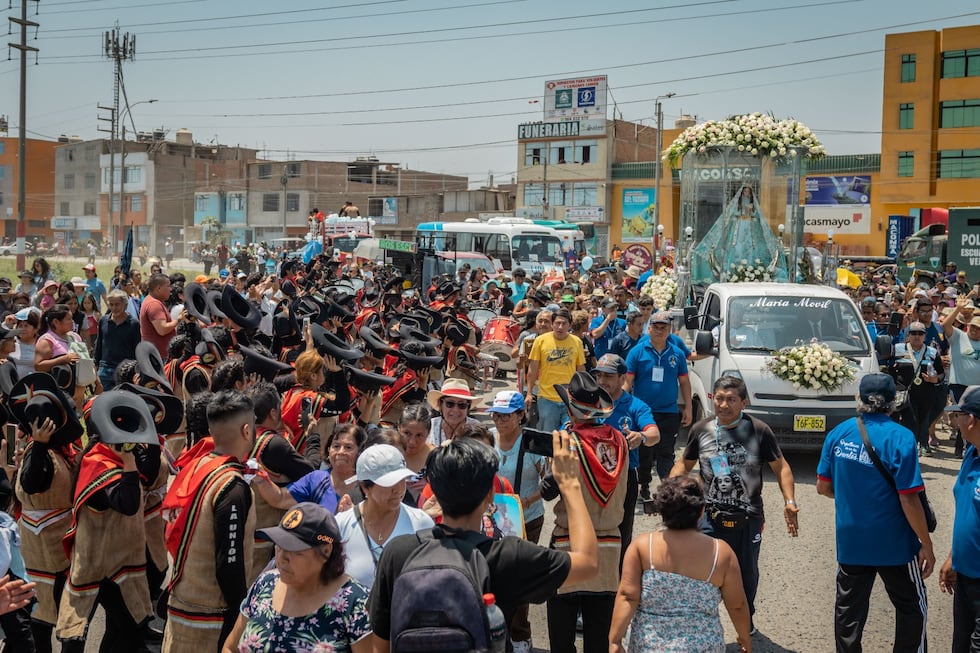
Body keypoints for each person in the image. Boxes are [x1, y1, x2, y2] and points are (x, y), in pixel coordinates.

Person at [368, 435, 599, 651]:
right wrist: (570, 485)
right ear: (490, 494)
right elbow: (588, 563)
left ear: (434, 492)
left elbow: (380, 642)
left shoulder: (398, 552)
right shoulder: (508, 557)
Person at [670, 375, 798, 634]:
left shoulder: (759, 430)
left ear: (744, 402)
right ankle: (700, 621)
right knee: (699, 569)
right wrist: (670, 492)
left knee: (746, 573)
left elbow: (781, 466)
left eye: (731, 400)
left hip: (748, 518)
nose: (724, 405)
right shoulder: (701, 429)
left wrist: (790, 501)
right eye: (719, 398)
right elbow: (685, 463)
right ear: (712, 398)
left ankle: (745, 619)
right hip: (707, 516)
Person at [816, 373, 934, 653]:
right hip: (895, 545)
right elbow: (909, 499)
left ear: (859, 398)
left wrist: (852, 494)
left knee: (848, 613)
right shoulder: (902, 437)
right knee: (911, 606)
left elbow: (823, 487)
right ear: (894, 402)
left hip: (852, 542)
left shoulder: (839, 433)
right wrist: (926, 545)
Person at [609, 476, 752, 653]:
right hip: (702, 646)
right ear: (701, 511)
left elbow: (627, 596)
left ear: (661, 510)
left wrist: (615, 640)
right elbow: (737, 604)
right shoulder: (720, 553)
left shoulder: (643, 546)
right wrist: (744, 637)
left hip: (648, 645)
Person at [161, 391, 256, 652]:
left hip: (182, 598)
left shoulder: (200, 463)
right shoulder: (232, 486)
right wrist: (239, 614)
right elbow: (229, 561)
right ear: (247, 430)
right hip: (207, 617)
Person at [221, 503, 372, 653]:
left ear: (325, 551)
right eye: (279, 546)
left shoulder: (356, 604)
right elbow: (230, 647)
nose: (282, 558)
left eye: (295, 550)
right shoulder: (265, 584)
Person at [487, 390, 545, 653]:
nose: (500, 421)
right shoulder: (487, 438)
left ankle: (520, 634)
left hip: (527, 520)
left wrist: (528, 501)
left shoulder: (532, 443)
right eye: (497, 415)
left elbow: (549, 483)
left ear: (521, 415)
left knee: (520, 576)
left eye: (507, 416)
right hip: (491, 519)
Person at [335, 444, 434, 590]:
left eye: (402, 480)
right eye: (389, 483)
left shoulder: (422, 523)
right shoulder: (340, 525)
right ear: (365, 487)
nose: (398, 489)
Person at [593, 353, 660, 564]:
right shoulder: (588, 402)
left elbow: (654, 434)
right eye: (599, 376)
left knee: (621, 531)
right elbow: (566, 427)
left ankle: (618, 581)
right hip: (590, 475)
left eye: (608, 376)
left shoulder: (636, 406)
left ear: (623, 378)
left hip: (624, 477)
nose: (602, 381)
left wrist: (640, 436)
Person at [626, 311, 692, 500]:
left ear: (669, 330)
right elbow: (628, 382)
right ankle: (644, 487)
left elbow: (685, 383)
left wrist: (688, 407)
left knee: (666, 452)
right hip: (643, 413)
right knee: (644, 453)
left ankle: (667, 489)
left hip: (669, 411)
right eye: (656, 327)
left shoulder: (677, 354)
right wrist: (620, 403)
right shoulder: (637, 352)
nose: (659, 331)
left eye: (664, 328)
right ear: (650, 328)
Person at [939, 385, 980, 651]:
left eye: (959, 415)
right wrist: (954, 556)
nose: (956, 421)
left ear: (972, 420)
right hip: (966, 575)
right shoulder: (970, 454)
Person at [689, 184, 788, 285]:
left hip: (749, 229)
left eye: (748, 191)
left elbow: (757, 216)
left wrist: (751, 217)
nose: (746, 193)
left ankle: (750, 269)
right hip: (739, 228)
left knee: (750, 248)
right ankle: (735, 271)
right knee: (737, 248)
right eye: (745, 191)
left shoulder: (752, 204)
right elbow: (732, 215)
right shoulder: (738, 204)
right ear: (742, 193)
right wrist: (740, 218)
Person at [524, 308, 586, 433]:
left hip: (569, 400)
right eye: (557, 323)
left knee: (569, 435)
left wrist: (581, 394)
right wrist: (529, 393)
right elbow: (532, 368)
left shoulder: (577, 342)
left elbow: (581, 369)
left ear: (570, 325)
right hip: (547, 398)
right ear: (552, 324)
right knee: (547, 436)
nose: (560, 327)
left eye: (564, 323)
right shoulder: (540, 341)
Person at [93, 290, 141, 392]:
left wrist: (137, 369)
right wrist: (95, 365)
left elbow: (137, 347)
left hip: (125, 370)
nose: (114, 308)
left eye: (117, 304)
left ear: (125, 305)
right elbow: (99, 344)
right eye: (111, 305)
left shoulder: (134, 324)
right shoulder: (103, 321)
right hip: (105, 369)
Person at [426, 378, 483, 447]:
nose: (455, 410)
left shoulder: (477, 429)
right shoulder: (428, 426)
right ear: (441, 404)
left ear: (468, 407)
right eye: (450, 404)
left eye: (462, 405)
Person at [140, 274, 183, 361]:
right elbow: (162, 330)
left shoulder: (154, 301)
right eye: (168, 286)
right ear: (159, 288)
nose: (170, 289)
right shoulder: (154, 304)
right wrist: (179, 319)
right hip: (158, 357)